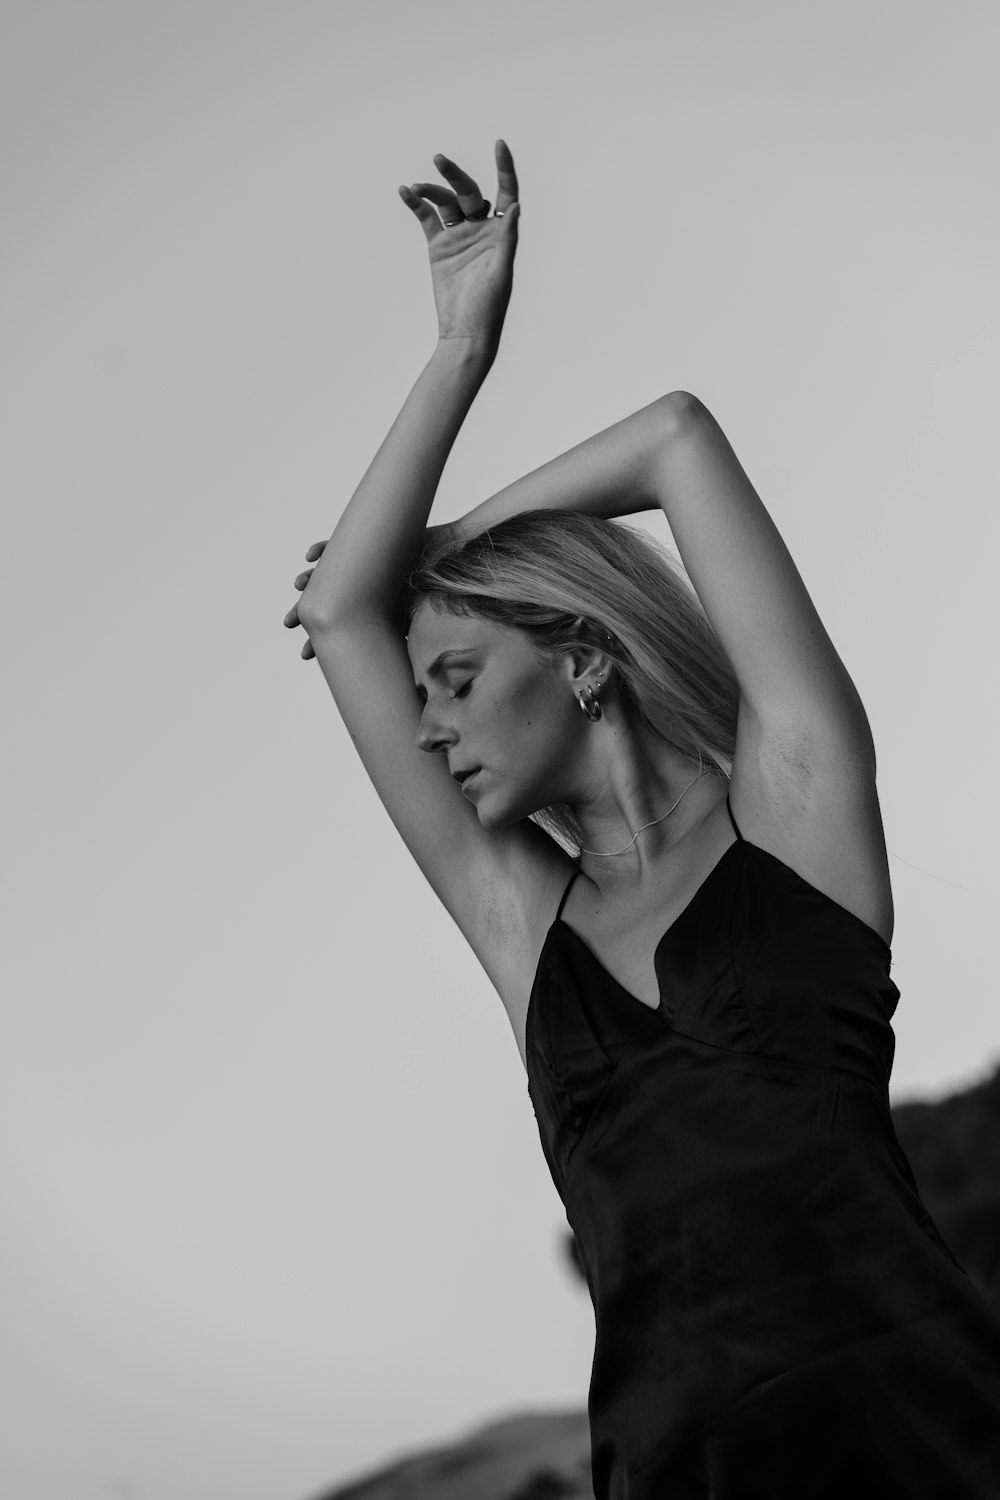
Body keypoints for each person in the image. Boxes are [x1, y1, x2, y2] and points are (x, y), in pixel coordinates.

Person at [283, 141, 1000, 1497]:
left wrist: (442, 555)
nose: (429, 728)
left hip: (939, 1444)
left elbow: (674, 435)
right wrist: (454, 357)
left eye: (460, 678)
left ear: (587, 657)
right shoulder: (522, 925)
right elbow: (338, 616)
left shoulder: (798, 823)